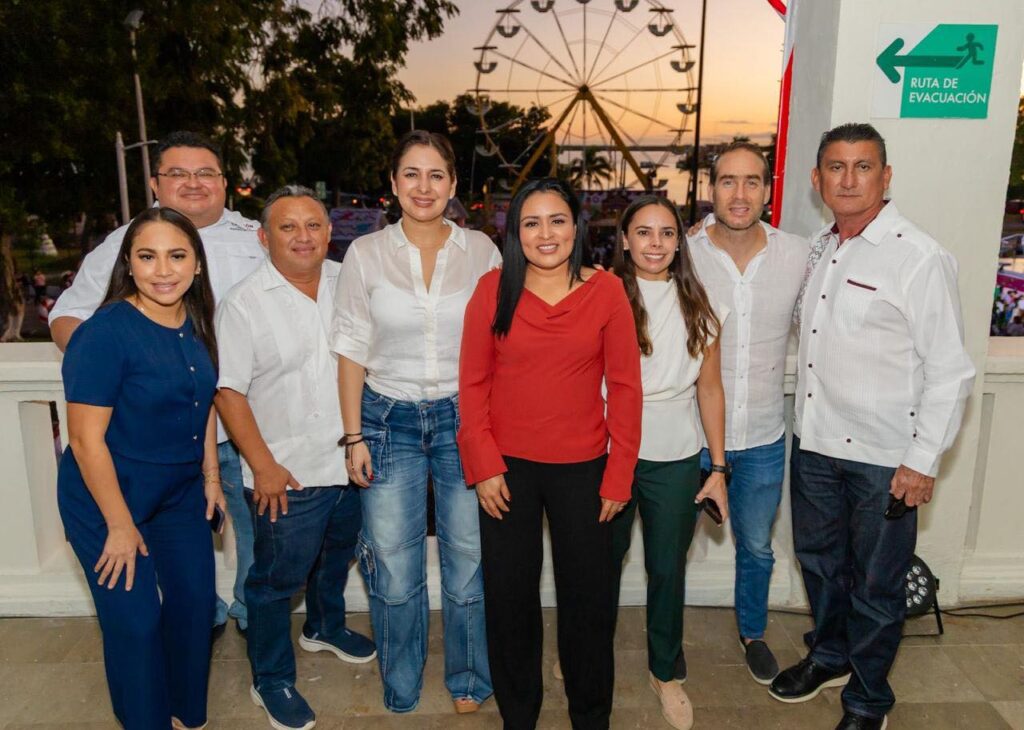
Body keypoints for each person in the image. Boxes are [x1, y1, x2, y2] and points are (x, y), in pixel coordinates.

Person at [769, 123, 976, 730]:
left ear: (886, 177)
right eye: (836, 167)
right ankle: (830, 656)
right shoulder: (820, 248)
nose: (849, 179)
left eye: (863, 167)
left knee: (877, 587)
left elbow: (950, 370)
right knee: (819, 565)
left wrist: (922, 461)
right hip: (815, 444)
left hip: (885, 459)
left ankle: (867, 701)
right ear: (817, 179)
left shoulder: (919, 257)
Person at [50, 131, 265, 638]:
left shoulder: (257, 238)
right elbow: (68, 318)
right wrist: (134, 370)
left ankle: (254, 617)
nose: (193, 183)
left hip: (242, 426)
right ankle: (200, 620)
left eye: (205, 172)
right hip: (154, 438)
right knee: (172, 563)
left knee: (258, 536)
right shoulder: (124, 243)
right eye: (177, 173)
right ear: (154, 183)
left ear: (224, 182)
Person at [458, 177, 643, 730]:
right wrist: (483, 465)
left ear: (576, 227)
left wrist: (619, 474)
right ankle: (519, 717)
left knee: (589, 606)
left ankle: (591, 718)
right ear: (515, 232)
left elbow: (626, 389)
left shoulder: (607, 292)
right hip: (506, 471)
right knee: (510, 602)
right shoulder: (492, 290)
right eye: (531, 222)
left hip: (585, 471)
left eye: (557, 220)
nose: (546, 233)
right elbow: (472, 383)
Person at [331, 130, 499, 714]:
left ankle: (470, 678)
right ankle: (401, 678)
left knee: (469, 559)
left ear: (453, 185)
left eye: (435, 175)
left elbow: (502, 340)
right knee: (395, 565)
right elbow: (350, 348)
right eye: (411, 174)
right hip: (385, 420)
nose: (423, 187)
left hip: (464, 419)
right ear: (393, 182)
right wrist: (353, 435)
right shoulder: (365, 254)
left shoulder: (482, 251)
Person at [56, 207, 224, 730]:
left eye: (177, 256)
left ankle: (182, 713)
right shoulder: (104, 333)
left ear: (197, 263)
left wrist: (211, 477)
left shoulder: (197, 320)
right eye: (147, 257)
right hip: (106, 495)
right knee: (137, 622)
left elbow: (204, 400)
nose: (163, 270)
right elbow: (85, 441)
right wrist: (120, 525)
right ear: (128, 263)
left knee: (195, 606)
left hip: (179, 491)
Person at [215, 186, 375, 730]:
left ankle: (324, 627)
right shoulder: (243, 302)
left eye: (312, 225)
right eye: (287, 227)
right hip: (286, 471)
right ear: (264, 238)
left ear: (329, 233)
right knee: (274, 582)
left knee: (336, 555)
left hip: (350, 461)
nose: (302, 237)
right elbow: (228, 393)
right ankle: (271, 678)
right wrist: (263, 467)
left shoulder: (349, 283)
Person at [687, 141, 808, 683]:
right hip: (691, 436)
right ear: (711, 189)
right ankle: (666, 640)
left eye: (752, 181)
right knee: (672, 545)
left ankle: (753, 633)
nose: (740, 194)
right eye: (728, 181)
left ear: (767, 189)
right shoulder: (684, 252)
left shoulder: (798, 255)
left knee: (756, 547)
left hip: (762, 435)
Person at [607, 195, 729, 730]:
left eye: (666, 233)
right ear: (625, 240)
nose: (654, 243)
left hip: (676, 458)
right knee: (598, 565)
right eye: (643, 232)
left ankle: (665, 671)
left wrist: (717, 469)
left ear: (679, 242)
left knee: (667, 570)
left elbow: (710, 389)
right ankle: (585, 650)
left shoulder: (700, 306)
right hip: (608, 453)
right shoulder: (603, 296)